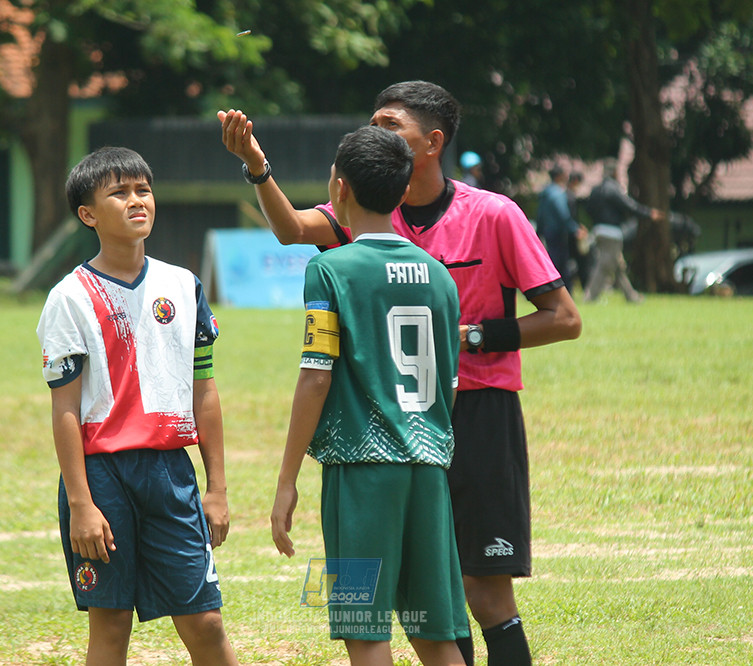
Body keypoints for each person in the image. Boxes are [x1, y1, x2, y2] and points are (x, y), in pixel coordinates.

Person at [219, 80, 582, 666]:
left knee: (431, 603)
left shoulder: (490, 214)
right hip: (426, 445)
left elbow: (565, 318)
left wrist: (471, 337)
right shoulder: (402, 254)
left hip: (446, 427)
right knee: (430, 612)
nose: (376, 131)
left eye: (389, 124)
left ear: (431, 143)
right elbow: (289, 228)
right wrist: (259, 169)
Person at [271, 125, 469, 666]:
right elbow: (450, 382)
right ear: (404, 192)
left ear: (338, 189)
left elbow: (317, 374)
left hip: (361, 473)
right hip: (428, 470)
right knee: (433, 632)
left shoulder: (329, 269)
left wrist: (286, 481)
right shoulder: (440, 276)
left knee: (365, 630)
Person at [36, 146, 239, 665]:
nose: (136, 201)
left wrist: (216, 489)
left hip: (171, 471)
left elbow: (205, 390)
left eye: (143, 190)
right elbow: (65, 409)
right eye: (118, 193)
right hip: (102, 476)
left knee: (206, 622)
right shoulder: (70, 297)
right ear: (88, 214)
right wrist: (81, 504)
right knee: (110, 626)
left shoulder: (184, 285)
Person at [583, 157, 663, 303]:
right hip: (612, 233)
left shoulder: (595, 190)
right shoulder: (614, 189)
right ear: (614, 172)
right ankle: (589, 297)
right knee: (604, 265)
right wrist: (649, 213)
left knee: (618, 267)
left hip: (599, 231)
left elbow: (588, 209)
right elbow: (630, 206)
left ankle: (631, 296)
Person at [536, 164, 586, 293]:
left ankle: (551, 290)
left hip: (547, 233)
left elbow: (540, 215)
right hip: (558, 233)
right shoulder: (558, 193)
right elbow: (563, 215)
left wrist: (538, 232)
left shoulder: (544, 193)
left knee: (552, 262)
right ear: (559, 176)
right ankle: (564, 293)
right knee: (561, 265)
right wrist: (575, 229)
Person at [566, 171, 594, 292]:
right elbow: (568, 217)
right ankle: (585, 288)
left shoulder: (566, 195)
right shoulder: (569, 197)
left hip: (570, 233)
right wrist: (576, 229)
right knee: (583, 262)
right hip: (572, 235)